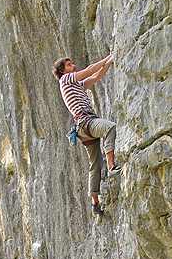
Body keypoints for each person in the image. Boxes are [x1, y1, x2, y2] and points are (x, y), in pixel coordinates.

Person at [52, 55, 121, 215]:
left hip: (83, 128)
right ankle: (111, 167)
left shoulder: (76, 85)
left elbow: (97, 75)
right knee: (110, 128)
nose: (74, 66)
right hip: (86, 122)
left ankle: (95, 203)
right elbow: (90, 70)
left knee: (95, 164)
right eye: (69, 65)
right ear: (63, 71)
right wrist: (109, 57)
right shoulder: (65, 80)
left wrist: (109, 62)